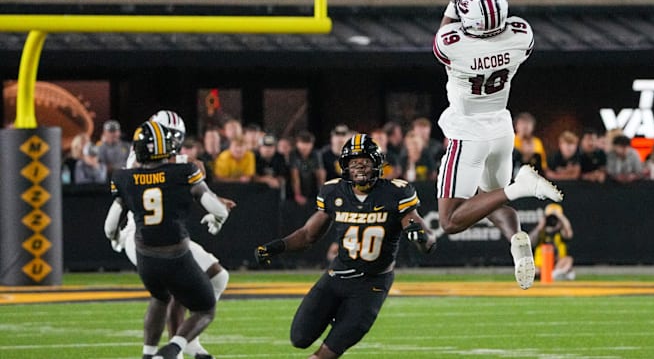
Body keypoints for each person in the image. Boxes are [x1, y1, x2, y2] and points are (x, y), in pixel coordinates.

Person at [254, 134, 436, 359]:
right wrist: (276, 247)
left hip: (372, 284)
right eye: (354, 162)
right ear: (345, 166)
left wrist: (420, 238)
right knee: (299, 338)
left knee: (326, 354)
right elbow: (308, 235)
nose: (360, 168)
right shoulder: (333, 192)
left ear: (377, 164)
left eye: (365, 162)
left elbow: (428, 240)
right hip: (336, 276)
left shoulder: (396, 193)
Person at [433, 0, 563, 289]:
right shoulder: (521, 34)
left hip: (467, 132)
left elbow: (444, 31)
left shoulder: (455, 45)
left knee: (450, 221)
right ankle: (518, 243)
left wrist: (454, 2)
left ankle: (521, 187)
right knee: (491, 201)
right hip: (502, 129)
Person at [107, 111, 234, 359]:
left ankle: (184, 343)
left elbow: (181, 176)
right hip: (141, 233)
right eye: (173, 137)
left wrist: (213, 197)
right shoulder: (148, 158)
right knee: (175, 292)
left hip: (152, 233)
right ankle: (174, 348)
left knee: (217, 277)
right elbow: (176, 172)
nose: (176, 142)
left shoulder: (165, 158)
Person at [529, 203, 575, 280]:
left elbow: (569, 234)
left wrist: (561, 217)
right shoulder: (541, 232)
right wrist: (541, 226)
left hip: (556, 265)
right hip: (541, 265)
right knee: (531, 268)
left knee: (568, 260)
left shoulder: (561, 232)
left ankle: (557, 274)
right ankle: (561, 274)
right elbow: (530, 241)